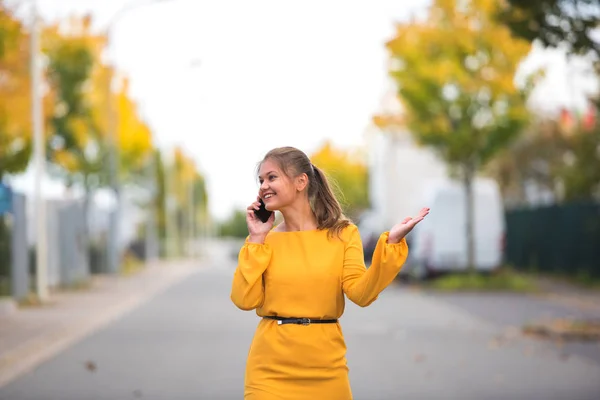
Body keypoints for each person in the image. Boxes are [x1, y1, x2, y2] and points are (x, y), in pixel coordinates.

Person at [230, 146, 430, 400]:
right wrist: (256, 239)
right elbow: (243, 300)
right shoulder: (262, 240)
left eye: (271, 177)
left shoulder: (343, 234)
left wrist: (390, 244)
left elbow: (361, 293)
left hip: (326, 368)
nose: (263, 186)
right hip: (269, 370)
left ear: (301, 181)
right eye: (261, 180)